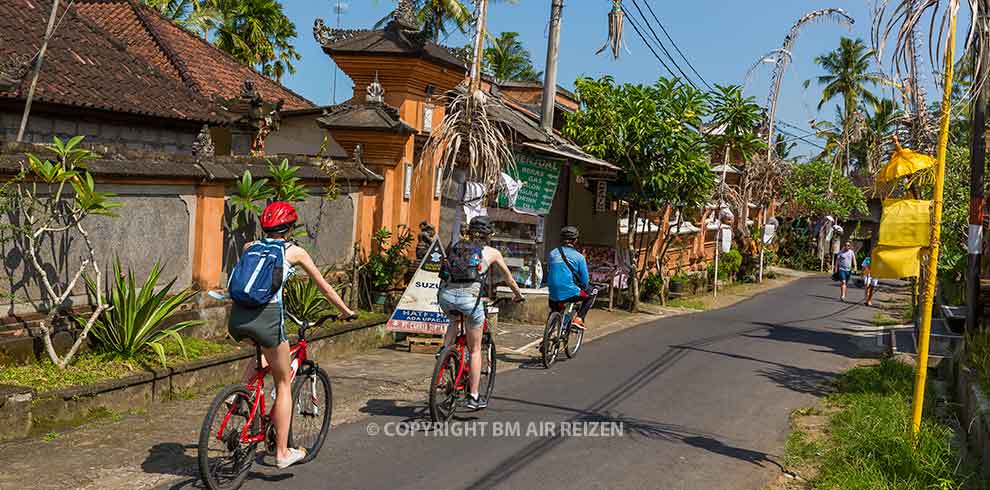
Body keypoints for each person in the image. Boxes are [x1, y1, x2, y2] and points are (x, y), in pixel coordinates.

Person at [227, 202, 357, 469]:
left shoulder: (249, 247)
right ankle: (283, 453)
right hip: (268, 318)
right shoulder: (294, 252)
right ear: (289, 228)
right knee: (284, 382)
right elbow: (324, 287)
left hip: (238, 317)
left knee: (263, 354)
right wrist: (346, 311)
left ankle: (240, 396)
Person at [438, 216, 524, 410]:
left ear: (469, 232)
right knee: (475, 349)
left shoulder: (455, 246)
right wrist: (518, 295)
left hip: (445, 296)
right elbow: (509, 279)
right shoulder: (492, 252)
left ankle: (444, 351)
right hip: (470, 300)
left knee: (454, 320)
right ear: (489, 235)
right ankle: (474, 396)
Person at [547, 226, 596, 328]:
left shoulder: (552, 253)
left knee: (555, 309)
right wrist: (582, 286)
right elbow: (585, 281)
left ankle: (548, 334)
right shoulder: (579, 257)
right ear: (575, 240)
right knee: (592, 292)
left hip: (552, 293)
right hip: (570, 293)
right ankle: (579, 318)